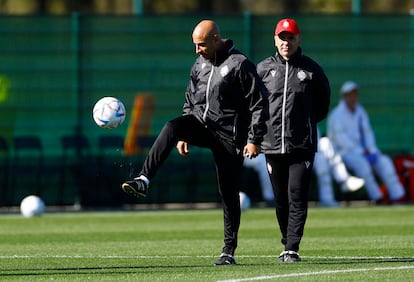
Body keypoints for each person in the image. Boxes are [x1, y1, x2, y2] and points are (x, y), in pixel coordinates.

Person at [121, 20, 269, 266]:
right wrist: (184, 135)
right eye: (195, 45)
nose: (197, 50)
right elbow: (190, 99)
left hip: (229, 137)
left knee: (229, 192)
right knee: (171, 127)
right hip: (201, 125)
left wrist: (254, 140)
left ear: (215, 39)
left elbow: (259, 103)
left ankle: (228, 251)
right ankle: (144, 179)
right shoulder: (199, 63)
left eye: (200, 45)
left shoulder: (240, 64)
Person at [256, 18, 331, 263]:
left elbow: (322, 106)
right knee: (280, 198)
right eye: (282, 37)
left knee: (297, 194)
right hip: (272, 144)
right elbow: (254, 105)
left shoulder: (312, 70)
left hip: (302, 145)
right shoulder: (263, 69)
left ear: (299, 39)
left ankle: (292, 247)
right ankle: (285, 242)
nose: (286, 42)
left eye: (291, 37)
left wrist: (304, 125)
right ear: (275, 40)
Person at [327, 81, 406, 204]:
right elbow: (341, 140)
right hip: (345, 153)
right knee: (363, 165)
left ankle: (399, 197)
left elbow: (367, 133)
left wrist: (371, 149)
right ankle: (378, 198)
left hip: (365, 151)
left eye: (355, 94)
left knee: (385, 162)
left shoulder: (360, 111)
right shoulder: (336, 115)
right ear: (344, 96)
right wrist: (362, 151)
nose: (353, 97)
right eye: (349, 95)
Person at [314, 129, 364, 207]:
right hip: (299, 155)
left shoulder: (309, 119)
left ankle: (343, 180)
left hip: (315, 152)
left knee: (325, 143)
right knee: (321, 161)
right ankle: (343, 180)